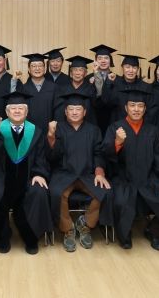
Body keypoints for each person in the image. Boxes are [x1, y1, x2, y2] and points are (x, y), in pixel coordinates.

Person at [103, 87, 159, 250]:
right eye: (132, 105)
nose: (136, 109)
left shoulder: (153, 131)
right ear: (126, 107)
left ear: (145, 109)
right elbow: (105, 156)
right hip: (124, 179)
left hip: (149, 179)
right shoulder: (116, 128)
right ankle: (125, 234)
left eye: (140, 106)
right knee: (120, 200)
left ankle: (154, 231)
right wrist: (117, 142)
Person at [0, 91, 52, 255]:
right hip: (2, 175)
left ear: (27, 112)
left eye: (21, 108)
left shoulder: (36, 131)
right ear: (7, 112)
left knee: (38, 192)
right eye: (13, 108)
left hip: (28, 177)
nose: (17, 111)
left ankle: (31, 238)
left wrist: (39, 173)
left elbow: (41, 157)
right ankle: (2, 237)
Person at [46, 91, 110, 252]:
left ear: (85, 112)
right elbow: (52, 156)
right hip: (64, 173)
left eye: (78, 109)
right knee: (57, 193)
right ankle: (68, 229)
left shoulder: (94, 130)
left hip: (87, 174)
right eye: (71, 109)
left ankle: (85, 224)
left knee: (105, 191)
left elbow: (99, 153)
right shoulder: (58, 129)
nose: (74, 112)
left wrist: (99, 172)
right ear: (65, 111)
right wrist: (51, 137)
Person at [101, 53, 153, 124]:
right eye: (127, 67)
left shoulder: (145, 87)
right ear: (122, 67)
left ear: (138, 69)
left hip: (139, 126)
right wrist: (108, 84)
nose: (131, 70)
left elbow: (150, 110)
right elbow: (106, 102)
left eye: (134, 67)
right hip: (117, 125)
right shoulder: (115, 83)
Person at [53, 55, 98, 125]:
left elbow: (94, 110)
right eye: (75, 70)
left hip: (86, 127)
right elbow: (58, 112)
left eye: (81, 70)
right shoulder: (62, 89)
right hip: (65, 127)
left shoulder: (91, 89)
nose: (77, 73)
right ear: (71, 73)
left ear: (85, 73)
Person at [19, 53, 57, 134]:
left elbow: (58, 111)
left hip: (49, 132)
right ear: (29, 69)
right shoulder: (23, 89)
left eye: (40, 65)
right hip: (29, 132)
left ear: (45, 68)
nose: (37, 68)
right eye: (33, 66)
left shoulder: (54, 88)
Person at [89, 44, 118, 133]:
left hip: (112, 120)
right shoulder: (88, 79)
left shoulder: (117, 79)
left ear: (110, 60)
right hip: (93, 120)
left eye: (106, 58)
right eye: (100, 58)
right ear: (95, 61)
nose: (103, 61)